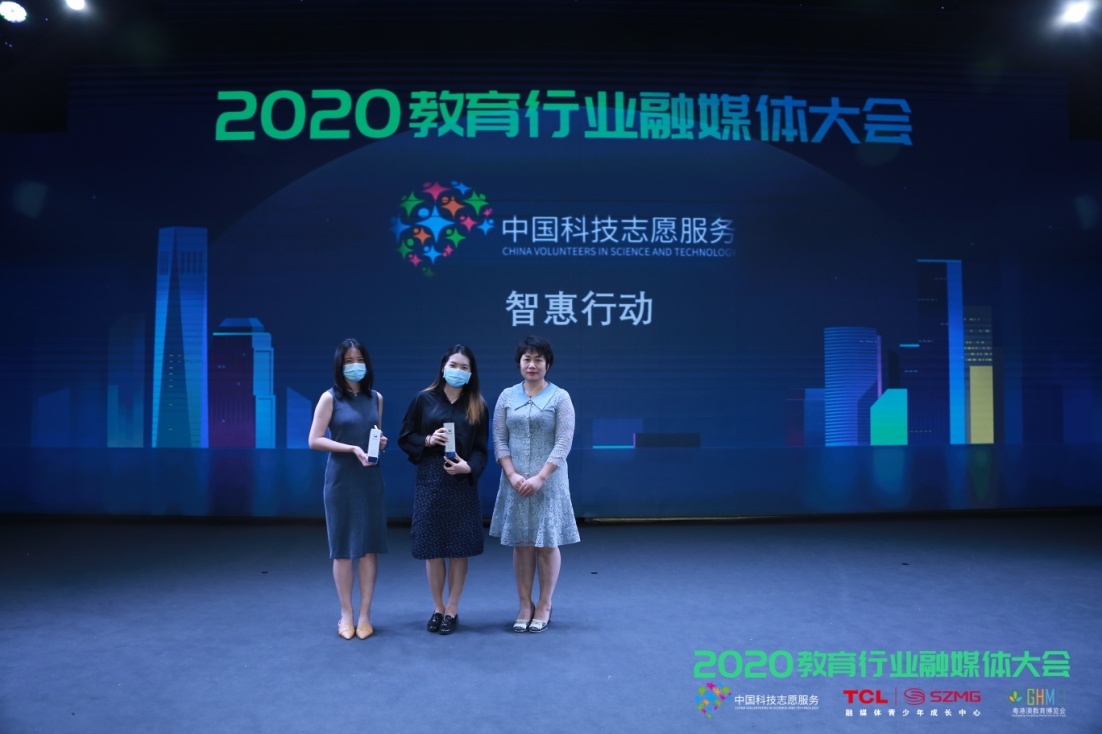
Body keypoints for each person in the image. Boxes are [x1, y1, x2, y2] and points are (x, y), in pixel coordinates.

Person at [489, 335, 579, 633]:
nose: (532, 364)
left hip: (548, 483)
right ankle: (524, 605)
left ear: (547, 364)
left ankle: (544, 604)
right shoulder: (506, 396)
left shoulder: (560, 397)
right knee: (522, 543)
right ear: (519, 363)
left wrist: (541, 477)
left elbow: (564, 442)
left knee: (546, 543)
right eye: (527, 359)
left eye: (538, 359)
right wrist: (512, 474)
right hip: (515, 482)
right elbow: (499, 439)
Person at [398, 345, 489, 635]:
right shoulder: (423, 399)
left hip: (461, 481)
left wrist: (469, 468)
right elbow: (405, 436)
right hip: (430, 479)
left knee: (459, 549)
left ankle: (452, 608)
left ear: (471, 372)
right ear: (442, 367)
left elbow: (481, 449)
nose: (458, 371)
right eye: (453, 365)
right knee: (433, 548)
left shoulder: (477, 405)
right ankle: (437, 607)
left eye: (464, 367)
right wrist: (427, 440)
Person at [307, 338, 388, 640]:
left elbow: (375, 434)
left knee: (368, 549)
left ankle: (365, 614)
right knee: (342, 550)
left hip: (370, 478)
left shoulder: (375, 397)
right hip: (341, 479)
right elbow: (315, 439)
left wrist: (380, 443)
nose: (355, 366)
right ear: (339, 366)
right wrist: (351, 448)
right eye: (349, 361)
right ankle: (346, 613)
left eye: (359, 360)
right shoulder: (329, 398)